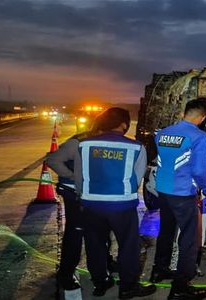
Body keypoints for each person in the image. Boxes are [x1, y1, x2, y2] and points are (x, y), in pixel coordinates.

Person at [48, 107, 156, 299]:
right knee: (128, 246)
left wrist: (84, 196)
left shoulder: (85, 144)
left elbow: (81, 177)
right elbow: (137, 179)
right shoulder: (136, 147)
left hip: (91, 204)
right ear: (123, 124)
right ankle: (128, 287)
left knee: (95, 245)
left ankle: (100, 282)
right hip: (121, 205)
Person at [150, 98, 206, 300]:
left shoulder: (162, 133)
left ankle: (159, 270)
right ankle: (180, 285)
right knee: (189, 239)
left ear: (185, 112)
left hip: (163, 190)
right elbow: (198, 169)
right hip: (183, 192)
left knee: (166, 231)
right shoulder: (199, 136)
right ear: (202, 117)